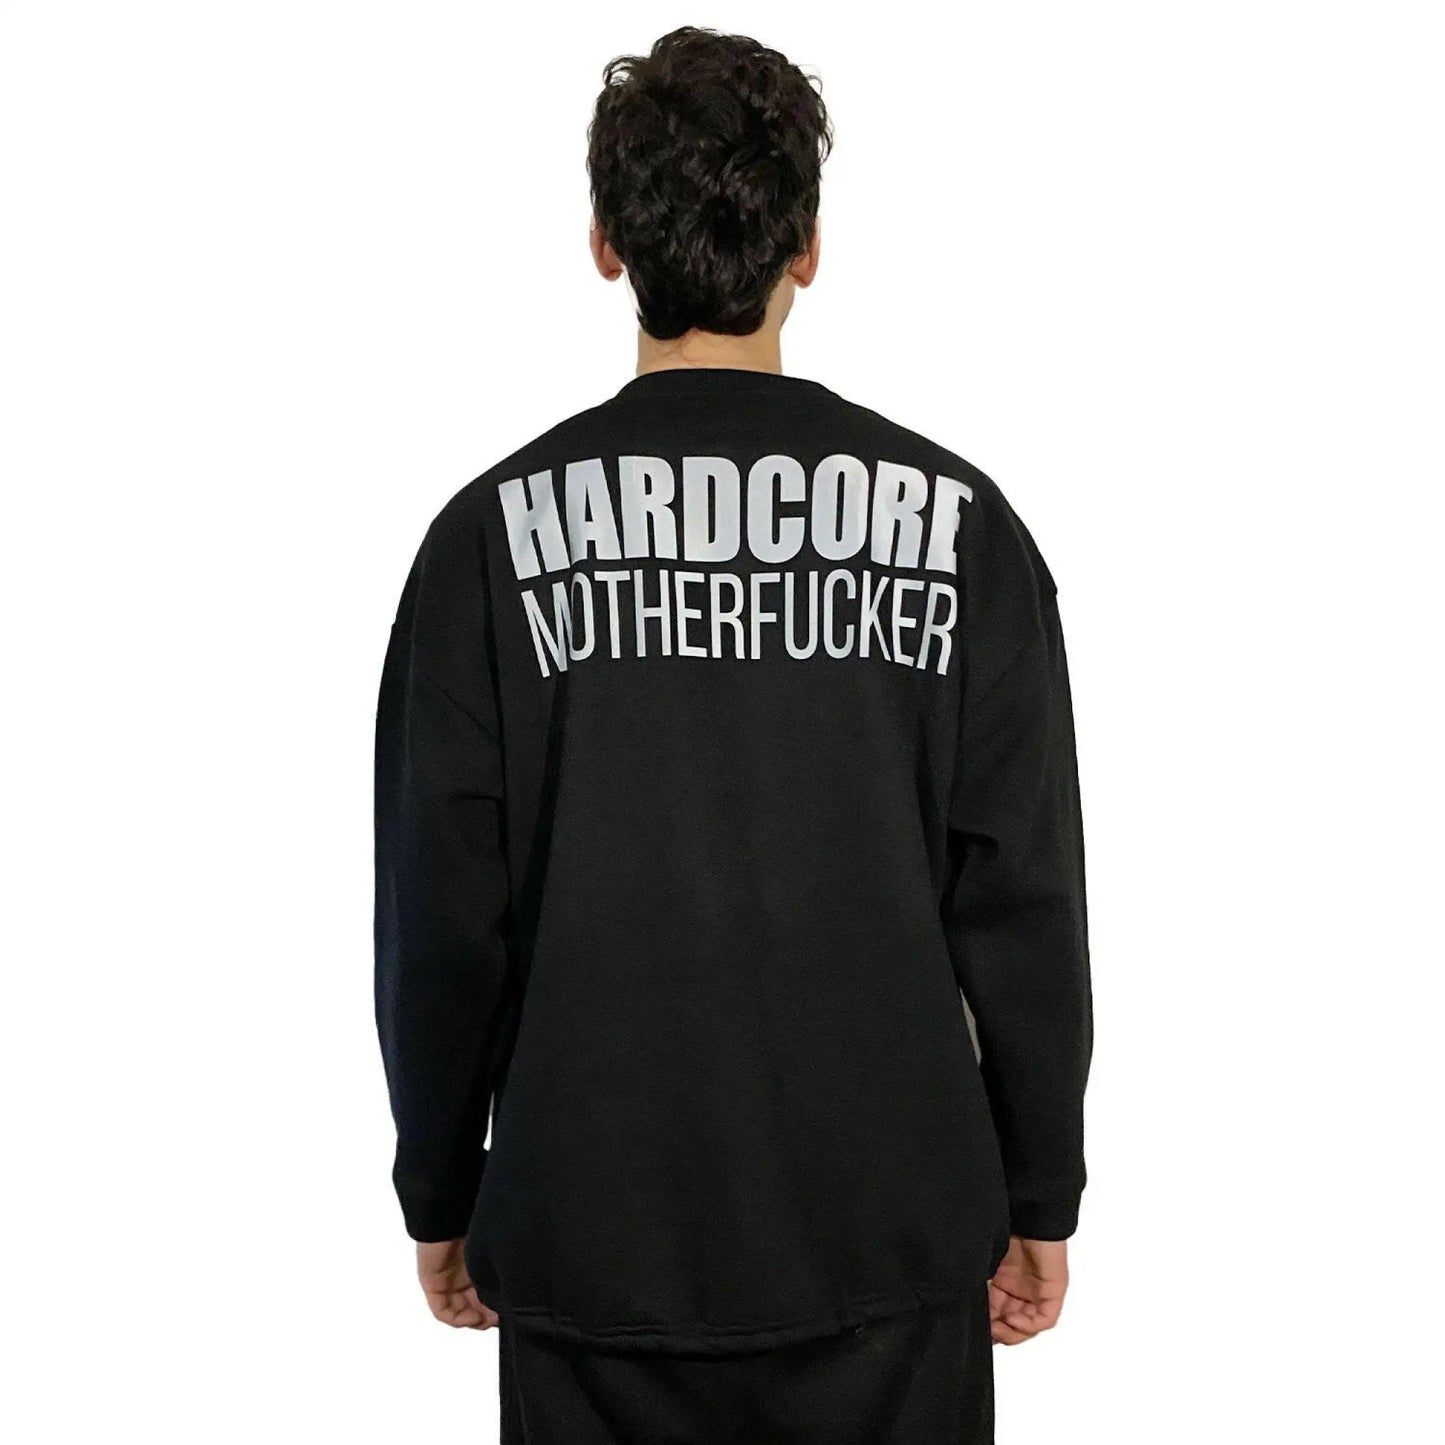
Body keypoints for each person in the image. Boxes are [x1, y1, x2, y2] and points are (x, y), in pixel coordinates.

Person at [374, 25, 1092, 1443]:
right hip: (889, 1250)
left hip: (593, 1252)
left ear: (604, 244)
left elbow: (442, 917)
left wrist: (441, 1190)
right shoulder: (962, 529)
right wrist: (1038, 1188)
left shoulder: (486, 545)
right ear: (807, 246)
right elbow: (1021, 894)